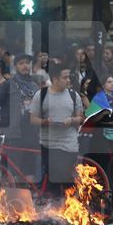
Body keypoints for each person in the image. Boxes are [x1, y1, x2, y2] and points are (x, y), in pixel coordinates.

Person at [29, 65, 84, 199]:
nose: (68, 80)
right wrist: (45, 122)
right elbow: (33, 119)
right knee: (51, 180)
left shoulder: (73, 95)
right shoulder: (41, 95)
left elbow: (81, 118)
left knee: (65, 177)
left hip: (68, 144)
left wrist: (71, 120)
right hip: (48, 143)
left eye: (68, 77)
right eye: (64, 77)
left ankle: (69, 203)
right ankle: (54, 206)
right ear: (55, 79)